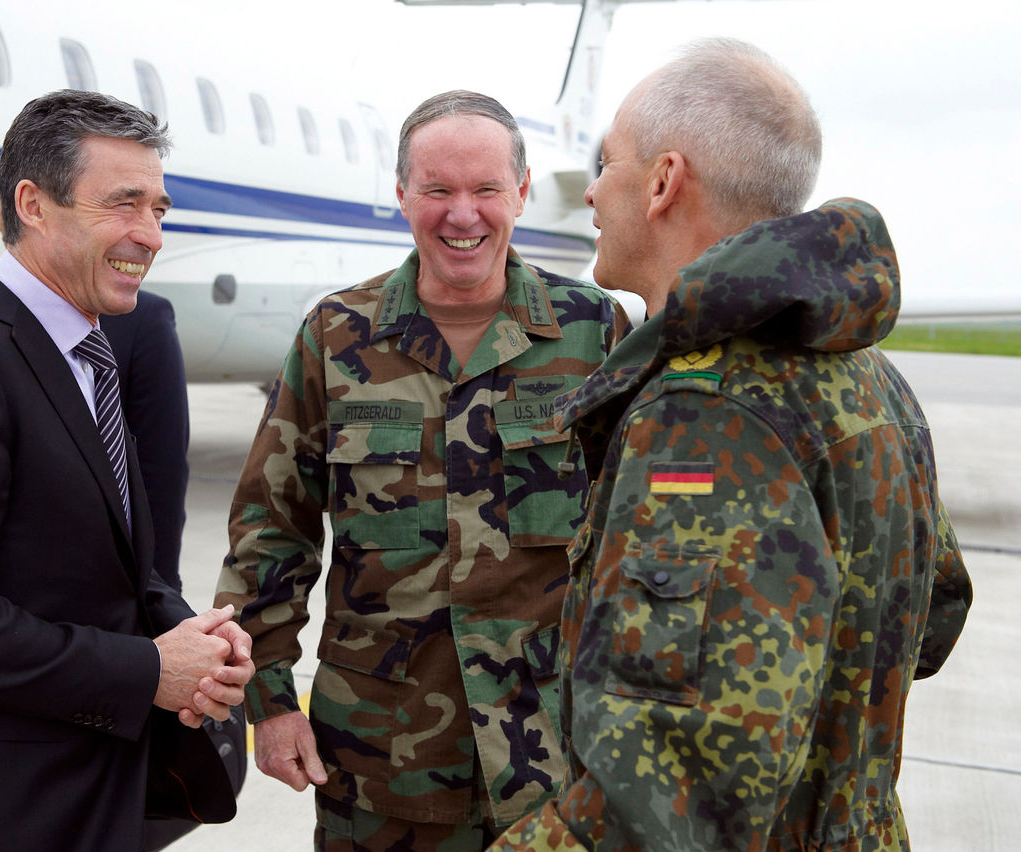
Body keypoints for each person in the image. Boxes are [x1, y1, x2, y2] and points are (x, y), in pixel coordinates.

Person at [491, 39, 973, 851]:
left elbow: (663, 796)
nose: (593, 193)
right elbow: (934, 615)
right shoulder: (866, 375)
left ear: (664, 182)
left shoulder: (708, 418)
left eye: (607, 163)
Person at [214, 90, 629, 849]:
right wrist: (270, 703)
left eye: (485, 191)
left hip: (555, 759)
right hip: (381, 764)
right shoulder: (336, 335)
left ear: (522, 194)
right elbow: (271, 529)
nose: (461, 215)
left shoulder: (595, 331)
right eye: (437, 190)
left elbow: (635, 536)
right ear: (402, 194)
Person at [0, 89, 253, 852]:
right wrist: (148, 672)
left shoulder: (90, 351)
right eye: (124, 205)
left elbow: (111, 567)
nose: (151, 236)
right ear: (32, 205)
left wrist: (190, 638)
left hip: (88, 784)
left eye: (160, 210)